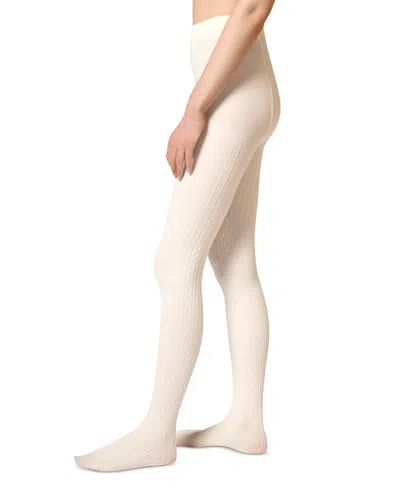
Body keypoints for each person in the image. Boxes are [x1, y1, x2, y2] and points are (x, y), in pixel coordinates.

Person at [75, 0, 280, 472]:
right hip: (238, 77)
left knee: (174, 262)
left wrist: (195, 109)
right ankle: (246, 421)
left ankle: (157, 433)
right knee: (235, 265)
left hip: (233, 85)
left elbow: (252, 9)